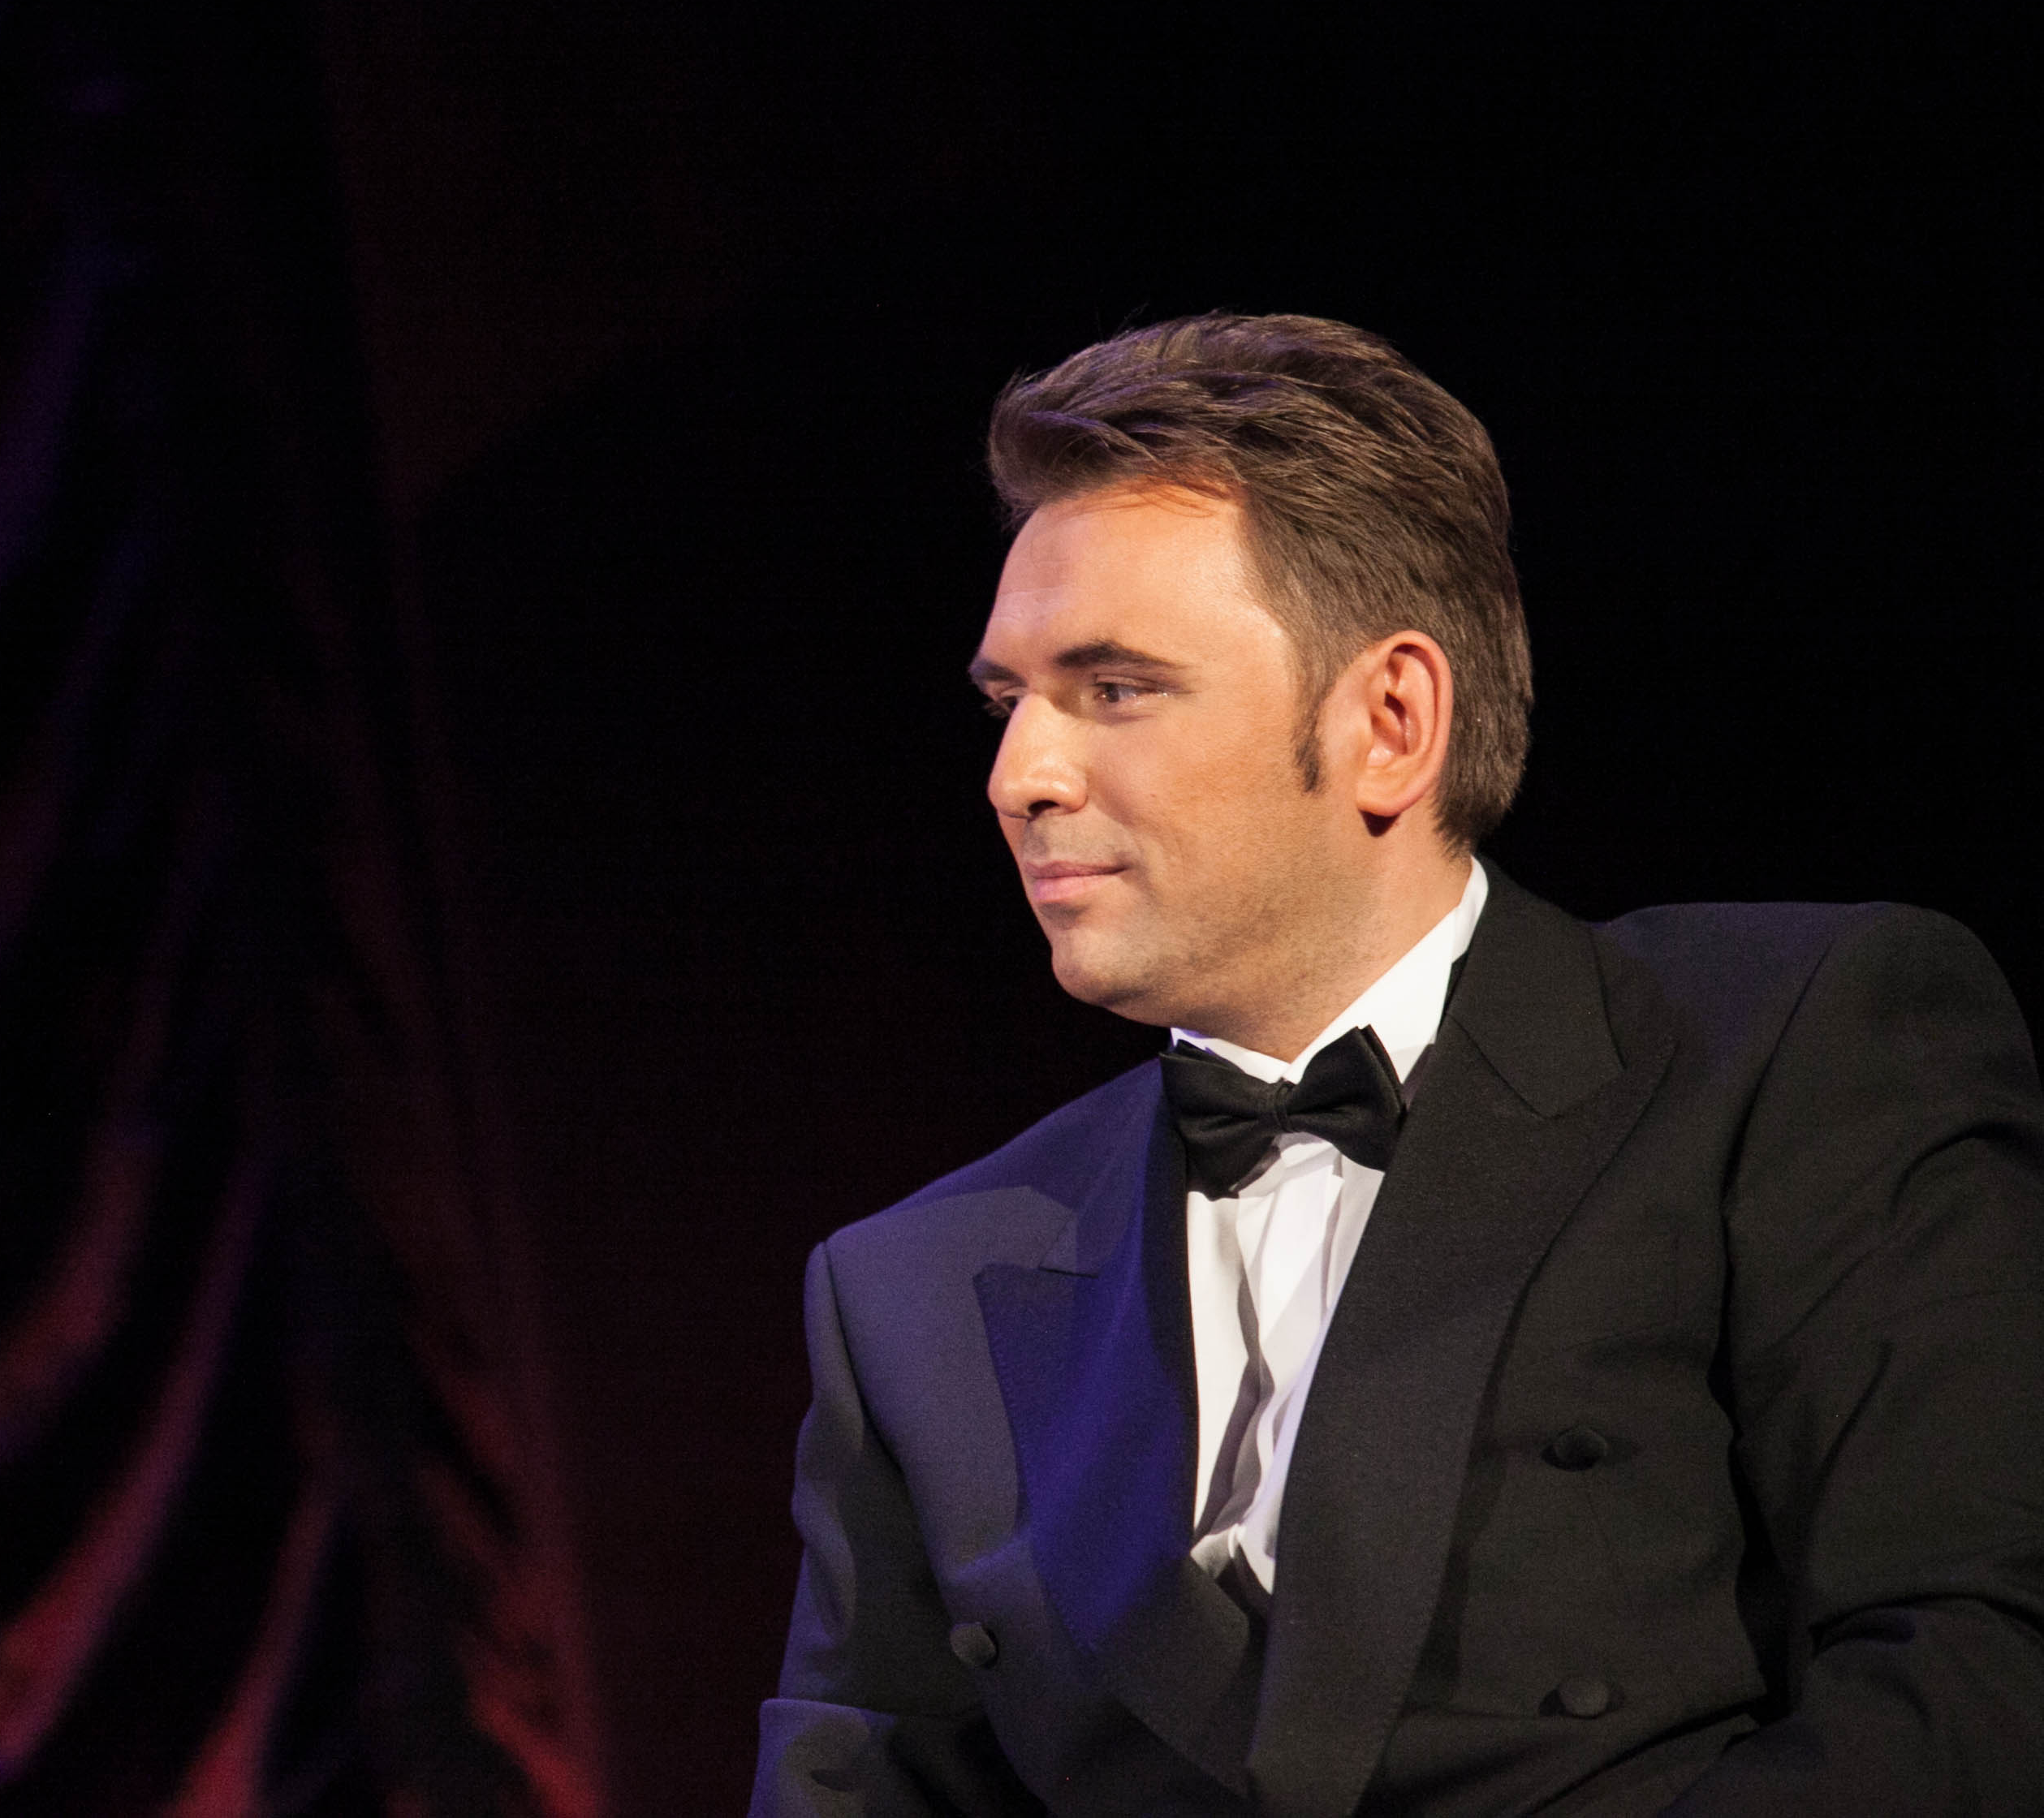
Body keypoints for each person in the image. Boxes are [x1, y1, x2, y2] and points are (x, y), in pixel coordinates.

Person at [748, 315, 2044, 1817]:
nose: (1017, 776)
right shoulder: (909, 1287)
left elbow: (1974, 1672)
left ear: (1389, 721)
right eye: (1006, 702)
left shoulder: (1792, 1045)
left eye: (1114, 687)